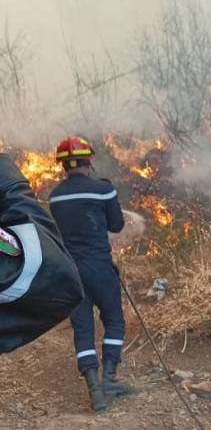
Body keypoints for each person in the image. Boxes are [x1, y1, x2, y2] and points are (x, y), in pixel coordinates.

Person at [49, 136, 131, 411]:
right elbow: (117, 226)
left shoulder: (55, 197)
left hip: (72, 273)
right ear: (88, 162)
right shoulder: (103, 191)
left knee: (83, 327)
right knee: (115, 320)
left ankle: (94, 388)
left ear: (63, 166)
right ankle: (109, 378)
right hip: (100, 267)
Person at [0, 153, 83, 353]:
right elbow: (60, 283)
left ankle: (92, 371)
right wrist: (11, 185)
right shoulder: (103, 190)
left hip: (64, 254)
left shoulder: (58, 195)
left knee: (84, 323)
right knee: (111, 317)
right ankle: (105, 375)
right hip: (73, 260)